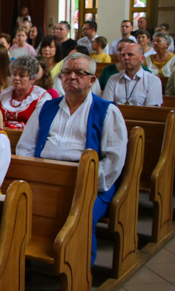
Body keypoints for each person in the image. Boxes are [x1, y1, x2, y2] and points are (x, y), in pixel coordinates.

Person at [17, 53, 128, 264]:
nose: (71, 77)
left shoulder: (107, 111)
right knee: (19, 209)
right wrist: (36, 178)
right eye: (66, 72)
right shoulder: (46, 107)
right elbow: (25, 147)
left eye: (79, 73)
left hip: (88, 181)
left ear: (92, 80)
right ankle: (23, 265)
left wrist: (87, 184)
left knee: (80, 218)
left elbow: (113, 160)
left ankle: (79, 271)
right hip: (46, 178)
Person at [0, 55, 51, 130]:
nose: (16, 78)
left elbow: (39, 126)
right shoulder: (2, 95)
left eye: (22, 75)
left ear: (32, 79)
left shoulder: (41, 97)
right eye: (14, 74)